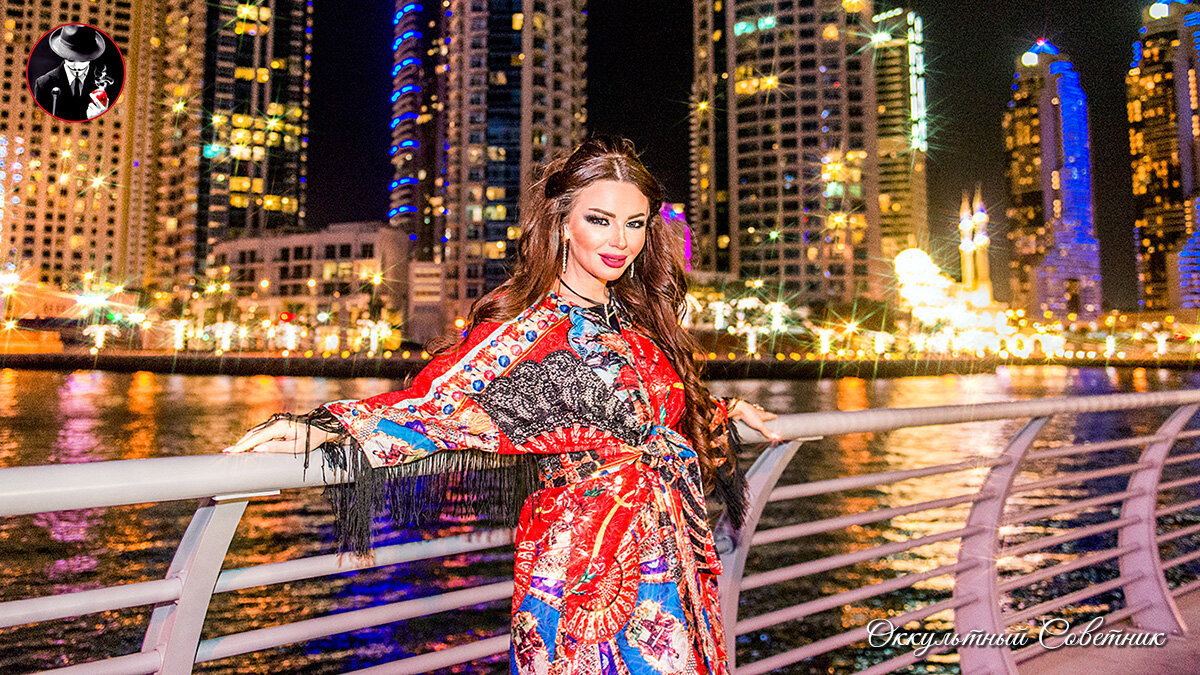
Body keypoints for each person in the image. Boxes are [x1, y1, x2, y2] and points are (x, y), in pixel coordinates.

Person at [223, 136, 781, 674]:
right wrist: (329, 428)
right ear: (562, 223)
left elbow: (646, 413)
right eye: (600, 219)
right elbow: (442, 402)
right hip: (582, 567)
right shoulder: (528, 329)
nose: (621, 240)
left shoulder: (637, 323)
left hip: (671, 558)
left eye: (635, 223)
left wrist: (725, 411)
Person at [31, 25, 113, 121]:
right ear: (63, 54)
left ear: (91, 57)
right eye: (71, 59)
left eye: (82, 60)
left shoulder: (104, 85)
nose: (76, 66)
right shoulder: (43, 84)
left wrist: (97, 117)